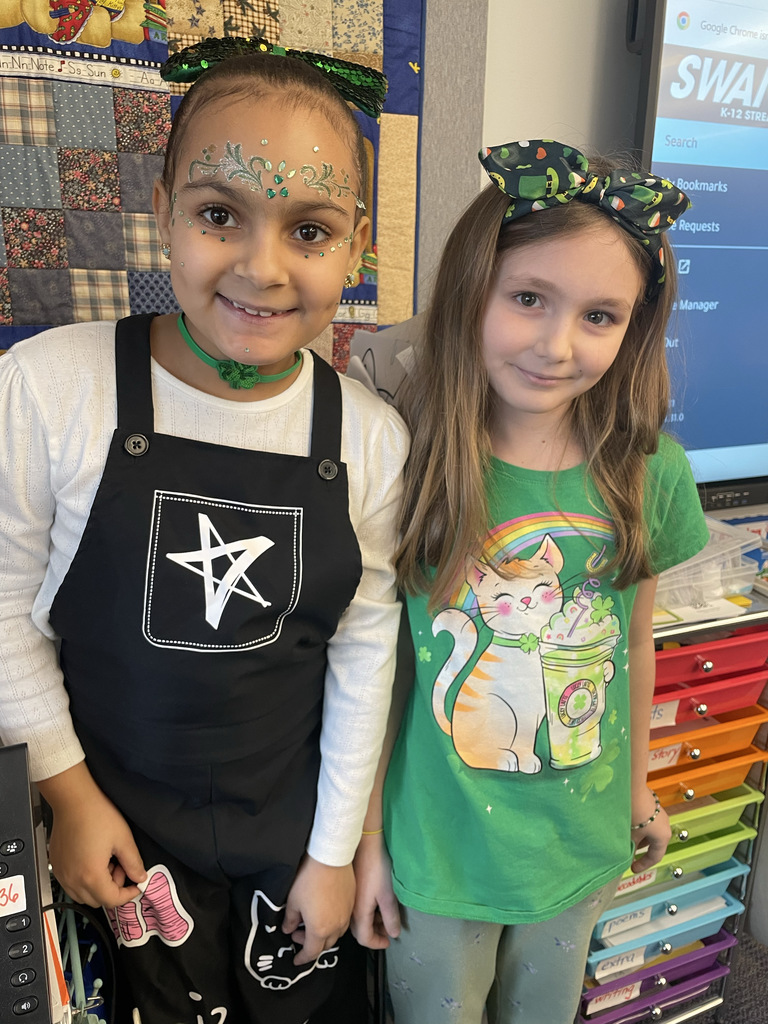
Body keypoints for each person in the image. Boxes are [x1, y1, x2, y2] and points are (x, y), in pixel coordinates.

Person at [0, 40, 409, 1024]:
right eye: (220, 215)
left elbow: (365, 644)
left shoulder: (369, 435)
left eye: (308, 230)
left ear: (355, 249)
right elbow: (7, 608)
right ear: (163, 216)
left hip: (290, 839)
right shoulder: (52, 386)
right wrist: (68, 792)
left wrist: (333, 851)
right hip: (118, 836)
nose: (261, 268)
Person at [352, 140, 710, 1024]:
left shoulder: (649, 470)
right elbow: (372, 669)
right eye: (527, 299)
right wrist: (362, 844)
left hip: (577, 847)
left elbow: (632, 642)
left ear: (636, 328)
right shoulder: (409, 457)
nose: (557, 346)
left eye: (600, 316)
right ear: (473, 289)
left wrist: (637, 795)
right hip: (439, 854)